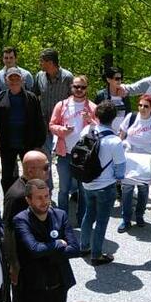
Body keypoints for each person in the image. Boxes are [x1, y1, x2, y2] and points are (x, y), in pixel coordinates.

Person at [3, 150, 52, 302]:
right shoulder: (18, 195)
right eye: (45, 167)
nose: (48, 171)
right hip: (22, 268)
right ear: (31, 170)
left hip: (36, 266)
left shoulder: (34, 189)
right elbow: (8, 231)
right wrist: (13, 265)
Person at [117, 93, 151, 231]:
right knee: (127, 188)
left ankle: (139, 215)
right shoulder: (131, 117)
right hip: (130, 157)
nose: (142, 108)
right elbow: (121, 134)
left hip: (146, 159)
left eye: (146, 106)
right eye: (140, 105)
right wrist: (118, 148)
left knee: (143, 189)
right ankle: (126, 219)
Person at [79, 100, 126, 265]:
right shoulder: (114, 141)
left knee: (88, 215)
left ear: (96, 115)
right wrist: (117, 177)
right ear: (114, 118)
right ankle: (97, 255)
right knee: (101, 221)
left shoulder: (87, 131)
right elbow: (120, 169)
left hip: (87, 183)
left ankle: (84, 246)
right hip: (105, 186)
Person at [48, 75, 96, 221]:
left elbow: (100, 129)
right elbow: (52, 125)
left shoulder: (93, 107)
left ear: (87, 88)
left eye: (82, 87)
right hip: (65, 153)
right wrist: (62, 130)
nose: (79, 89)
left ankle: (82, 221)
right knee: (63, 189)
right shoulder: (62, 105)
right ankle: (62, 220)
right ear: (71, 87)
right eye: (76, 86)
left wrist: (90, 121)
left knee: (83, 190)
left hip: (84, 156)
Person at [0, 67, 46, 194]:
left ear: (22, 80)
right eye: (11, 78)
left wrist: (38, 145)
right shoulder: (0, 97)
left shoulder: (31, 98)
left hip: (28, 144)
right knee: (7, 176)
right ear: (6, 81)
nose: (14, 81)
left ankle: (31, 198)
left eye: (17, 78)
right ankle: (9, 199)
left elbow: (39, 121)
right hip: (7, 144)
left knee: (31, 174)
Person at [33, 48, 72, 161]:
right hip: (44, 126)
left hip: (61, 127)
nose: (40, 63)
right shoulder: (39, 76)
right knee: (45, 160)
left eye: (42, 61)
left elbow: (74, 100)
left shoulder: (67, 78)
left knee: (61, 160)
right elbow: (34, 96)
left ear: (50, 63)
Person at [93, 65, 129, 132]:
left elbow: (128, 115)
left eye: (121, 78)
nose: (119, 81)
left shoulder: (124, 95)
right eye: (117, 79)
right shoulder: (101, 95)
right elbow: (95, 115)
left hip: (121, 134)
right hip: (105, 132)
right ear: (108, 79)